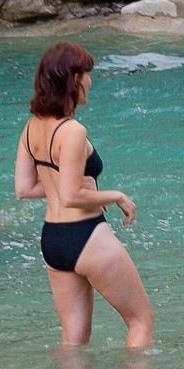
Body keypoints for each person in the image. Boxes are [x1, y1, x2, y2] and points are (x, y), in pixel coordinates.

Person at [13, 42, 154, 347]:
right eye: (88, 74)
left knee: (74, 339)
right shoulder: (73, 131)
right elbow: (71, 195)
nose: (91, 81)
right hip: (86, 236)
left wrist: (61, 186)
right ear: (74, 79)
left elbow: (23, 189)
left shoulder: (30, 128)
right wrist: (114, 195)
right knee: (140, 321)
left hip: (53, 240)